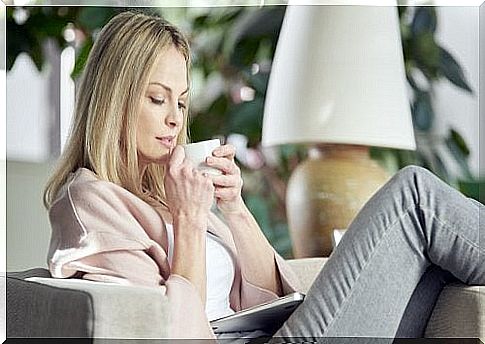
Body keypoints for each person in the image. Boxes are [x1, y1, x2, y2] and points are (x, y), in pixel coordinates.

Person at [43, 10, 484, 342]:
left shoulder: (167, 190)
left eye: (180, 102)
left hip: (274, 333)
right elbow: (175, 333)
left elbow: (270, 302)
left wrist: (233, 211)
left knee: (432, 265)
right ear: (115, 100)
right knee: (413, 197)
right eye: (157, 99)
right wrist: (191, 221)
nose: (175, 119)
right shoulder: (89, 201)